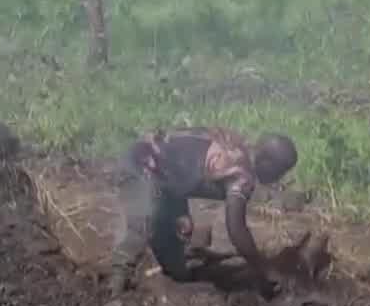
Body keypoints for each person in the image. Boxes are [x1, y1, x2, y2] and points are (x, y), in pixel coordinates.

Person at [106, 126, 298, 295]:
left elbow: (178, 166)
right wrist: (261, 269)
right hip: (142, 166)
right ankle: (116, 291)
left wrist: (181, 211)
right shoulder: (241, 172)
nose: (278, 177)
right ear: (266, 161)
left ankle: (169, 281)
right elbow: (237, 229)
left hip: (161, 178)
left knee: (175, 265)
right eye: (280, 171)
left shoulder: (235, 143)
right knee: (143, 223)